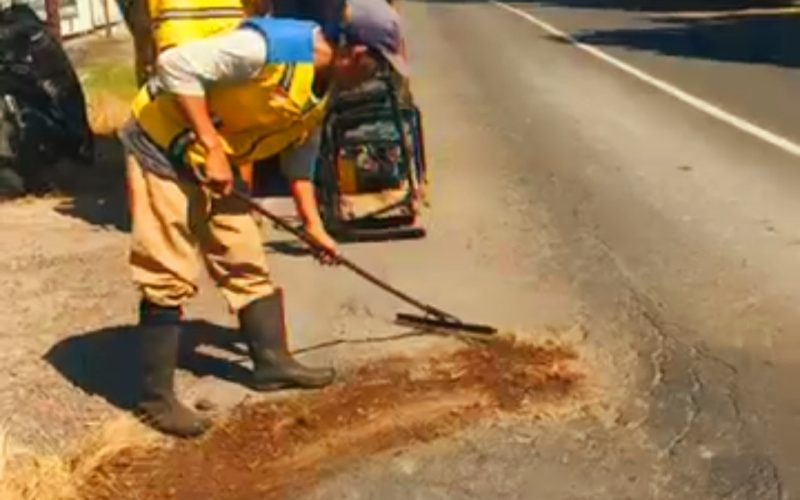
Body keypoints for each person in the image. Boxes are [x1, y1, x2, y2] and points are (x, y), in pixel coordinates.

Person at [119, 0, 409, 438]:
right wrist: (210, 146)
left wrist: (313, 225)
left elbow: (301, 152)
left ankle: (272, 363)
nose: (378, 76)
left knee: (244, 254)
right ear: (355, 52)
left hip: (218, 158)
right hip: (162, 145)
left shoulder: (328, 83)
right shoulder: (269, 48)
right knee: (167, 267)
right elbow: (175, 65)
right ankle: (155, 399)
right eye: (378, 65)